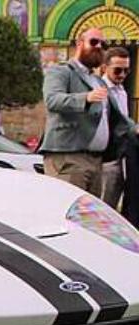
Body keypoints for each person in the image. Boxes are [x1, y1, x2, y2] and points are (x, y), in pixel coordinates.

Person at [39, 28, 138, 195]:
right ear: (79, 43)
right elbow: (52, 100)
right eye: (93, 42)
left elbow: (117, 118)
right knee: (67, 212)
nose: (99, 46)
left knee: (89, 218)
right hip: (68, 157)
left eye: (103, 44)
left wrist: (134, 129)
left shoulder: (97, 80)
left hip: (96, 161)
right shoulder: (61, 71)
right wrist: (85, 98)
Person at [101, 47, 132, 208]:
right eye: (118, 70)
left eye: (126, 71)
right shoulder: (100, 89)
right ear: (105, 68)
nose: (122, 75)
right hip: (106, 158)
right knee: (104, 205)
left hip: (121, 156)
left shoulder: (122, 91)